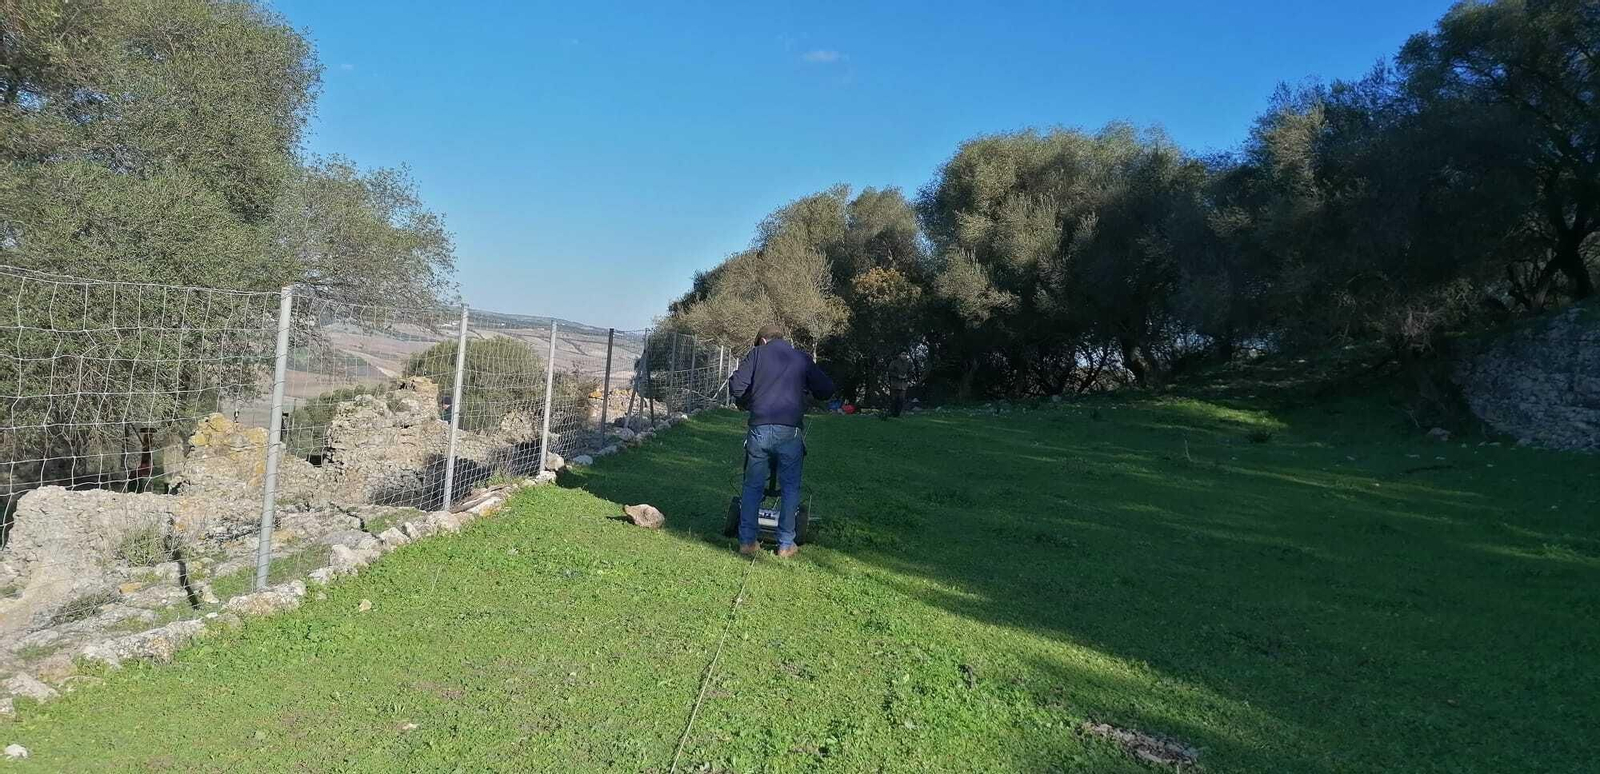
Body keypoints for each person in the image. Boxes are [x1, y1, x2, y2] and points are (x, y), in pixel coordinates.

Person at [727, 323, 834, 558]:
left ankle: (747, 541)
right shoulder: (801, 358)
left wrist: (751, 398)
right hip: (790, 432)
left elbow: (736, 387)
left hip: (760, 430)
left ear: (762, 341)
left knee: (753, 485)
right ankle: (786, 544)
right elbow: (826, 389)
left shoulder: (757, 354)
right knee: (790, 487)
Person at [885, 352, 913, 418]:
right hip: (895, 384)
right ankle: (892, 414)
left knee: (901, 400)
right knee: (894, 400)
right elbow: (890, 372)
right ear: (899, 355)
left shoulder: (908, 363)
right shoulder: (894, 362)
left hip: (903, 385)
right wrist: (898, 376)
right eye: (903, 354)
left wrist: (907, 376)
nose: (904, 356)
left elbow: (911, 372)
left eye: (905, 354)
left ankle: (897, 414)